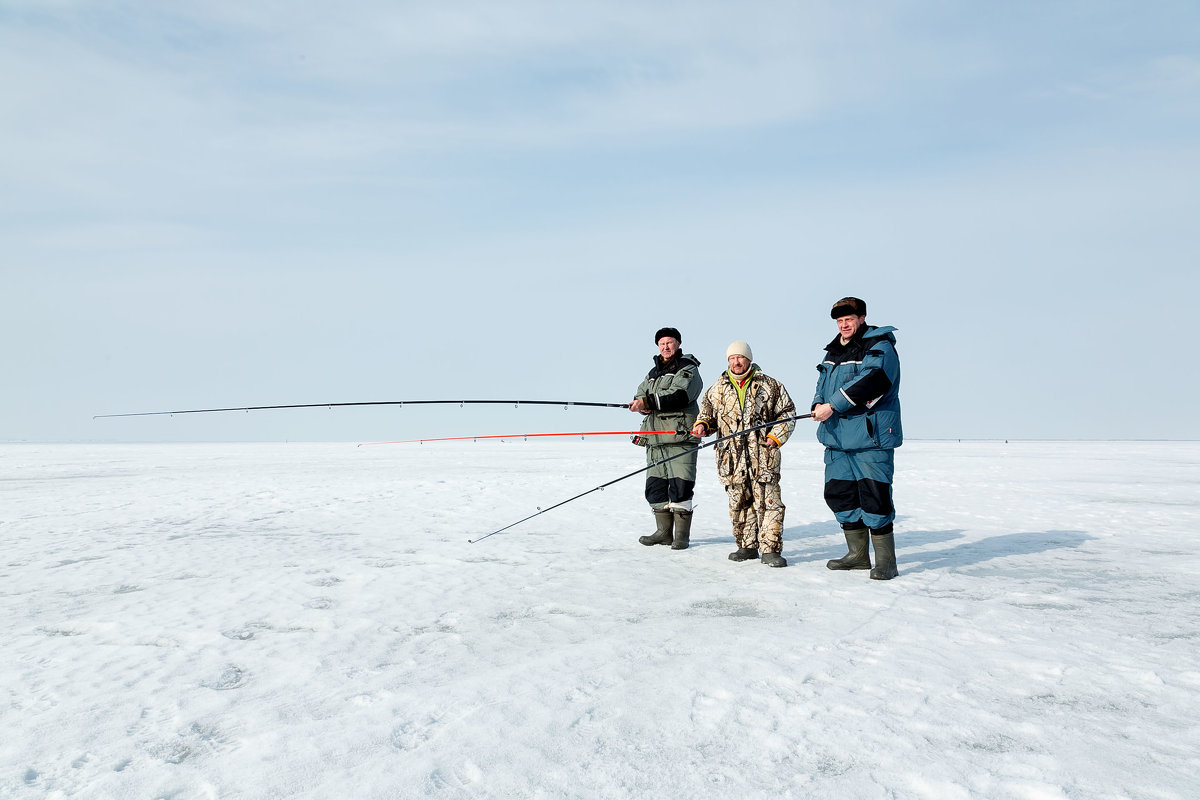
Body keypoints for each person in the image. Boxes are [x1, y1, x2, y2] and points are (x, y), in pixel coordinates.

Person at [811, 297, 903, 580]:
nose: (844, 325)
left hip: (869, 438)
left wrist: (833, 405)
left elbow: (873, 381)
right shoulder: (833, 352)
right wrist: (817, 404)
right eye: (839, 321)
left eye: (849, 319)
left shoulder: (879, 345)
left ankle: (886, 562)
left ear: (862, 318)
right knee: (840, 495)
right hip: (837, 439)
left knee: (875, 498)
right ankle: (858, 555)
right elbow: (821, 385)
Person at [690, 341, 796, 567]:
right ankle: (746, 546)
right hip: (731, 460)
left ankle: (770, 550)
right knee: (739, 503)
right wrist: (702, 426)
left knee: (769, 503)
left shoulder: (771, 385)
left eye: (740, 358)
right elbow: (706, 415)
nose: (736, 362)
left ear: (749, 359)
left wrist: (775, 437)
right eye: (732, 358)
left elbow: (788, 413)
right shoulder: (716, 389)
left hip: (764, 457)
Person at [630, 327, 703, 550]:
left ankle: (681, 537)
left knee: (681, 487)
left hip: (679, 437)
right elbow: (641, 393)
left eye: (670, 342)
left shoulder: (688, 368)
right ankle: (663, 533)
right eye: (661, 343)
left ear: (678, 344)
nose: (666, 347)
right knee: (655, 488)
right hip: (655, 439)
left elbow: (680, 396)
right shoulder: (653, 373)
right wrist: (639, 404)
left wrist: (648, 403)